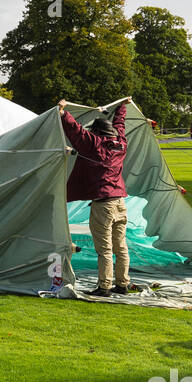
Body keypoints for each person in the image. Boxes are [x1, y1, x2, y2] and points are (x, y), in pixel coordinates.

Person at [58, 99, 131, 297]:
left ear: (97, 132)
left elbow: (75, 131)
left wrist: (63, 111)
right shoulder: (121, 144)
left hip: (104, 205)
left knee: (105, 249)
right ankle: (123, 284)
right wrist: (122, 107)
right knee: (121, 247)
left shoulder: (95, 145)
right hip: (120, 203)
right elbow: (120, 125)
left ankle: (104, 287)